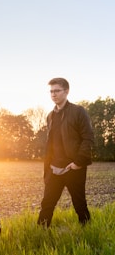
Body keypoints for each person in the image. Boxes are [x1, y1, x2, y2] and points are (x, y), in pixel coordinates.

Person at [37, 77, 94, 227]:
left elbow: (88, 138)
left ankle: (88, 232)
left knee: (80, 205)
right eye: (51, 91)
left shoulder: (78, 111)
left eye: (57, 91)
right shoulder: (50, 116)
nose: (53, 94)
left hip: (73, 167)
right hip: (54, 168)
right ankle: (40, 234)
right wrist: (48, 167)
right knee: (47, 204)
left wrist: (78, 163)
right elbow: (50, 143)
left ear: (66, 91)